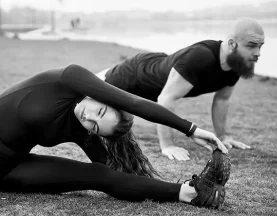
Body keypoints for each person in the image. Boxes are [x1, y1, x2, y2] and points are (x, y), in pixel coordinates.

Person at [0, 64, 230, 213]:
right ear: (101, 96)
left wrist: (145, 184)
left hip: (11, 168)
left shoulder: (82, 128)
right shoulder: (71, 79)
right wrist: (191, 129)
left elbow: (112, 177)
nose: (89, 120)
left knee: (99, 175)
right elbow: (136, 104)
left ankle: (190, 193)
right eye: (99, 112)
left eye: (96, 127)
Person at [97, 18, 264, 161]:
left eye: (260, 46)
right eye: (252, 45)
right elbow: (165, 99)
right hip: (135, 74)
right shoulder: (200, 57)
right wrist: (167, 145)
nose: (258, 53)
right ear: (232, 44)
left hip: (157, 67)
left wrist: (223, 136)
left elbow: (222, 100)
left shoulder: (235, 66)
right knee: (90, 92)